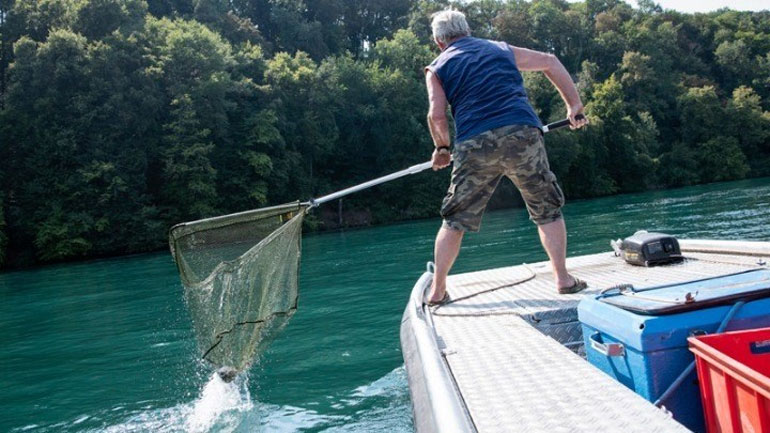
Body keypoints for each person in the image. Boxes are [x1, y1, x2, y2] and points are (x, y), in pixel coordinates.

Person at [424, 10, 588, 305]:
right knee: (546, 208)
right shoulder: (500, 49)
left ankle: (437, 291)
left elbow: (436, 115)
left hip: (474, 144)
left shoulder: (437, 67)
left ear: (439, 42)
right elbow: (550, 62)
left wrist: (443, 150)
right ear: (467, 30)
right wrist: (574, 106)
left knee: (455, 220)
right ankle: (563, 279)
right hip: (522, 134)